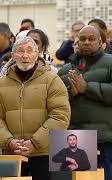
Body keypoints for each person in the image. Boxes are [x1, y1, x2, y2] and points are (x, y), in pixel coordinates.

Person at [0, 36, 70, 180]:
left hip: (44, 152)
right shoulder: (1, 84)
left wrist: (34, 142)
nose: (25, 55)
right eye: (20, 51)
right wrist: (9, 142)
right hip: (12, 152)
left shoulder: (52, 80)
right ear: (13, 55)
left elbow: (60, 116)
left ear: (37, 54)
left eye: (29, 51)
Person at [58, 25, 112, 180]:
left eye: (91, 39)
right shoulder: (65, 69)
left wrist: (87, 88)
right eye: (82, 39)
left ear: (101, 42)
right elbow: (53, 100)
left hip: (105, 137)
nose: (86, 42)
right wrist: (70, 92)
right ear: (77, 42)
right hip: (72, 136)